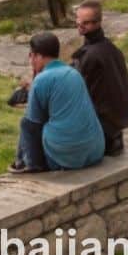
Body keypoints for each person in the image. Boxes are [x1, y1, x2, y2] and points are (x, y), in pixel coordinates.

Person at [11, 32, 107, 172]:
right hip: (95, 150)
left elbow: (33, 123)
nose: (31, 60)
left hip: (67, 158)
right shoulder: (73, 73)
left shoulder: (41, 80)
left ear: (37, 56)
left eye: (31, 55)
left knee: (26, 123)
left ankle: (28, 164)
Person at [69, 0, 128, 156]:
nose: (81, 25)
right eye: (78, 21)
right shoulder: (110, 49)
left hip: (103, 130)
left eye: (87, 22)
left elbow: (78, 93)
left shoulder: (91, 55)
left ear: (98, 22)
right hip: (117, 125)